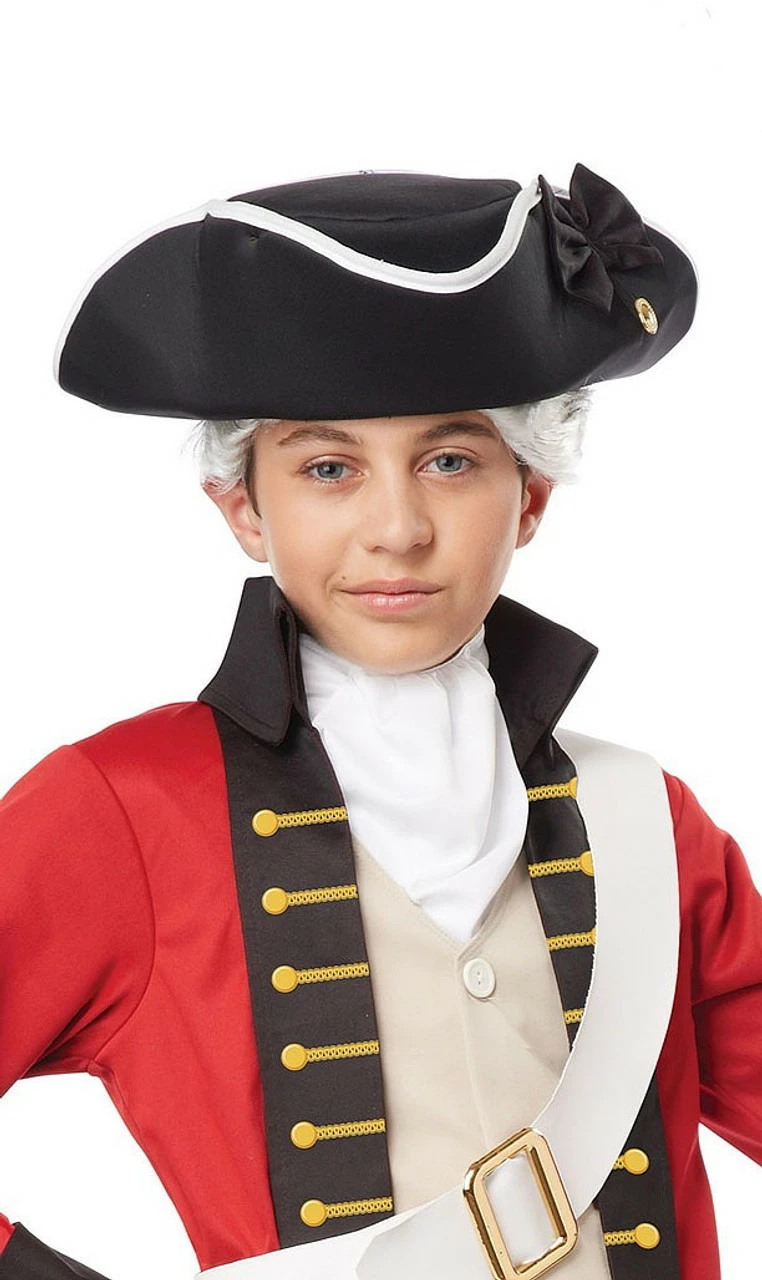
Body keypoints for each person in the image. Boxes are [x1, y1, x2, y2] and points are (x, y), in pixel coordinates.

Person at [1, 164, 758, 1280]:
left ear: (530, 494)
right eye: (328, 467)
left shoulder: (648, 819)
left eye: (450, 460)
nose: (397, 528)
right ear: (244, 507)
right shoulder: (118, 808)